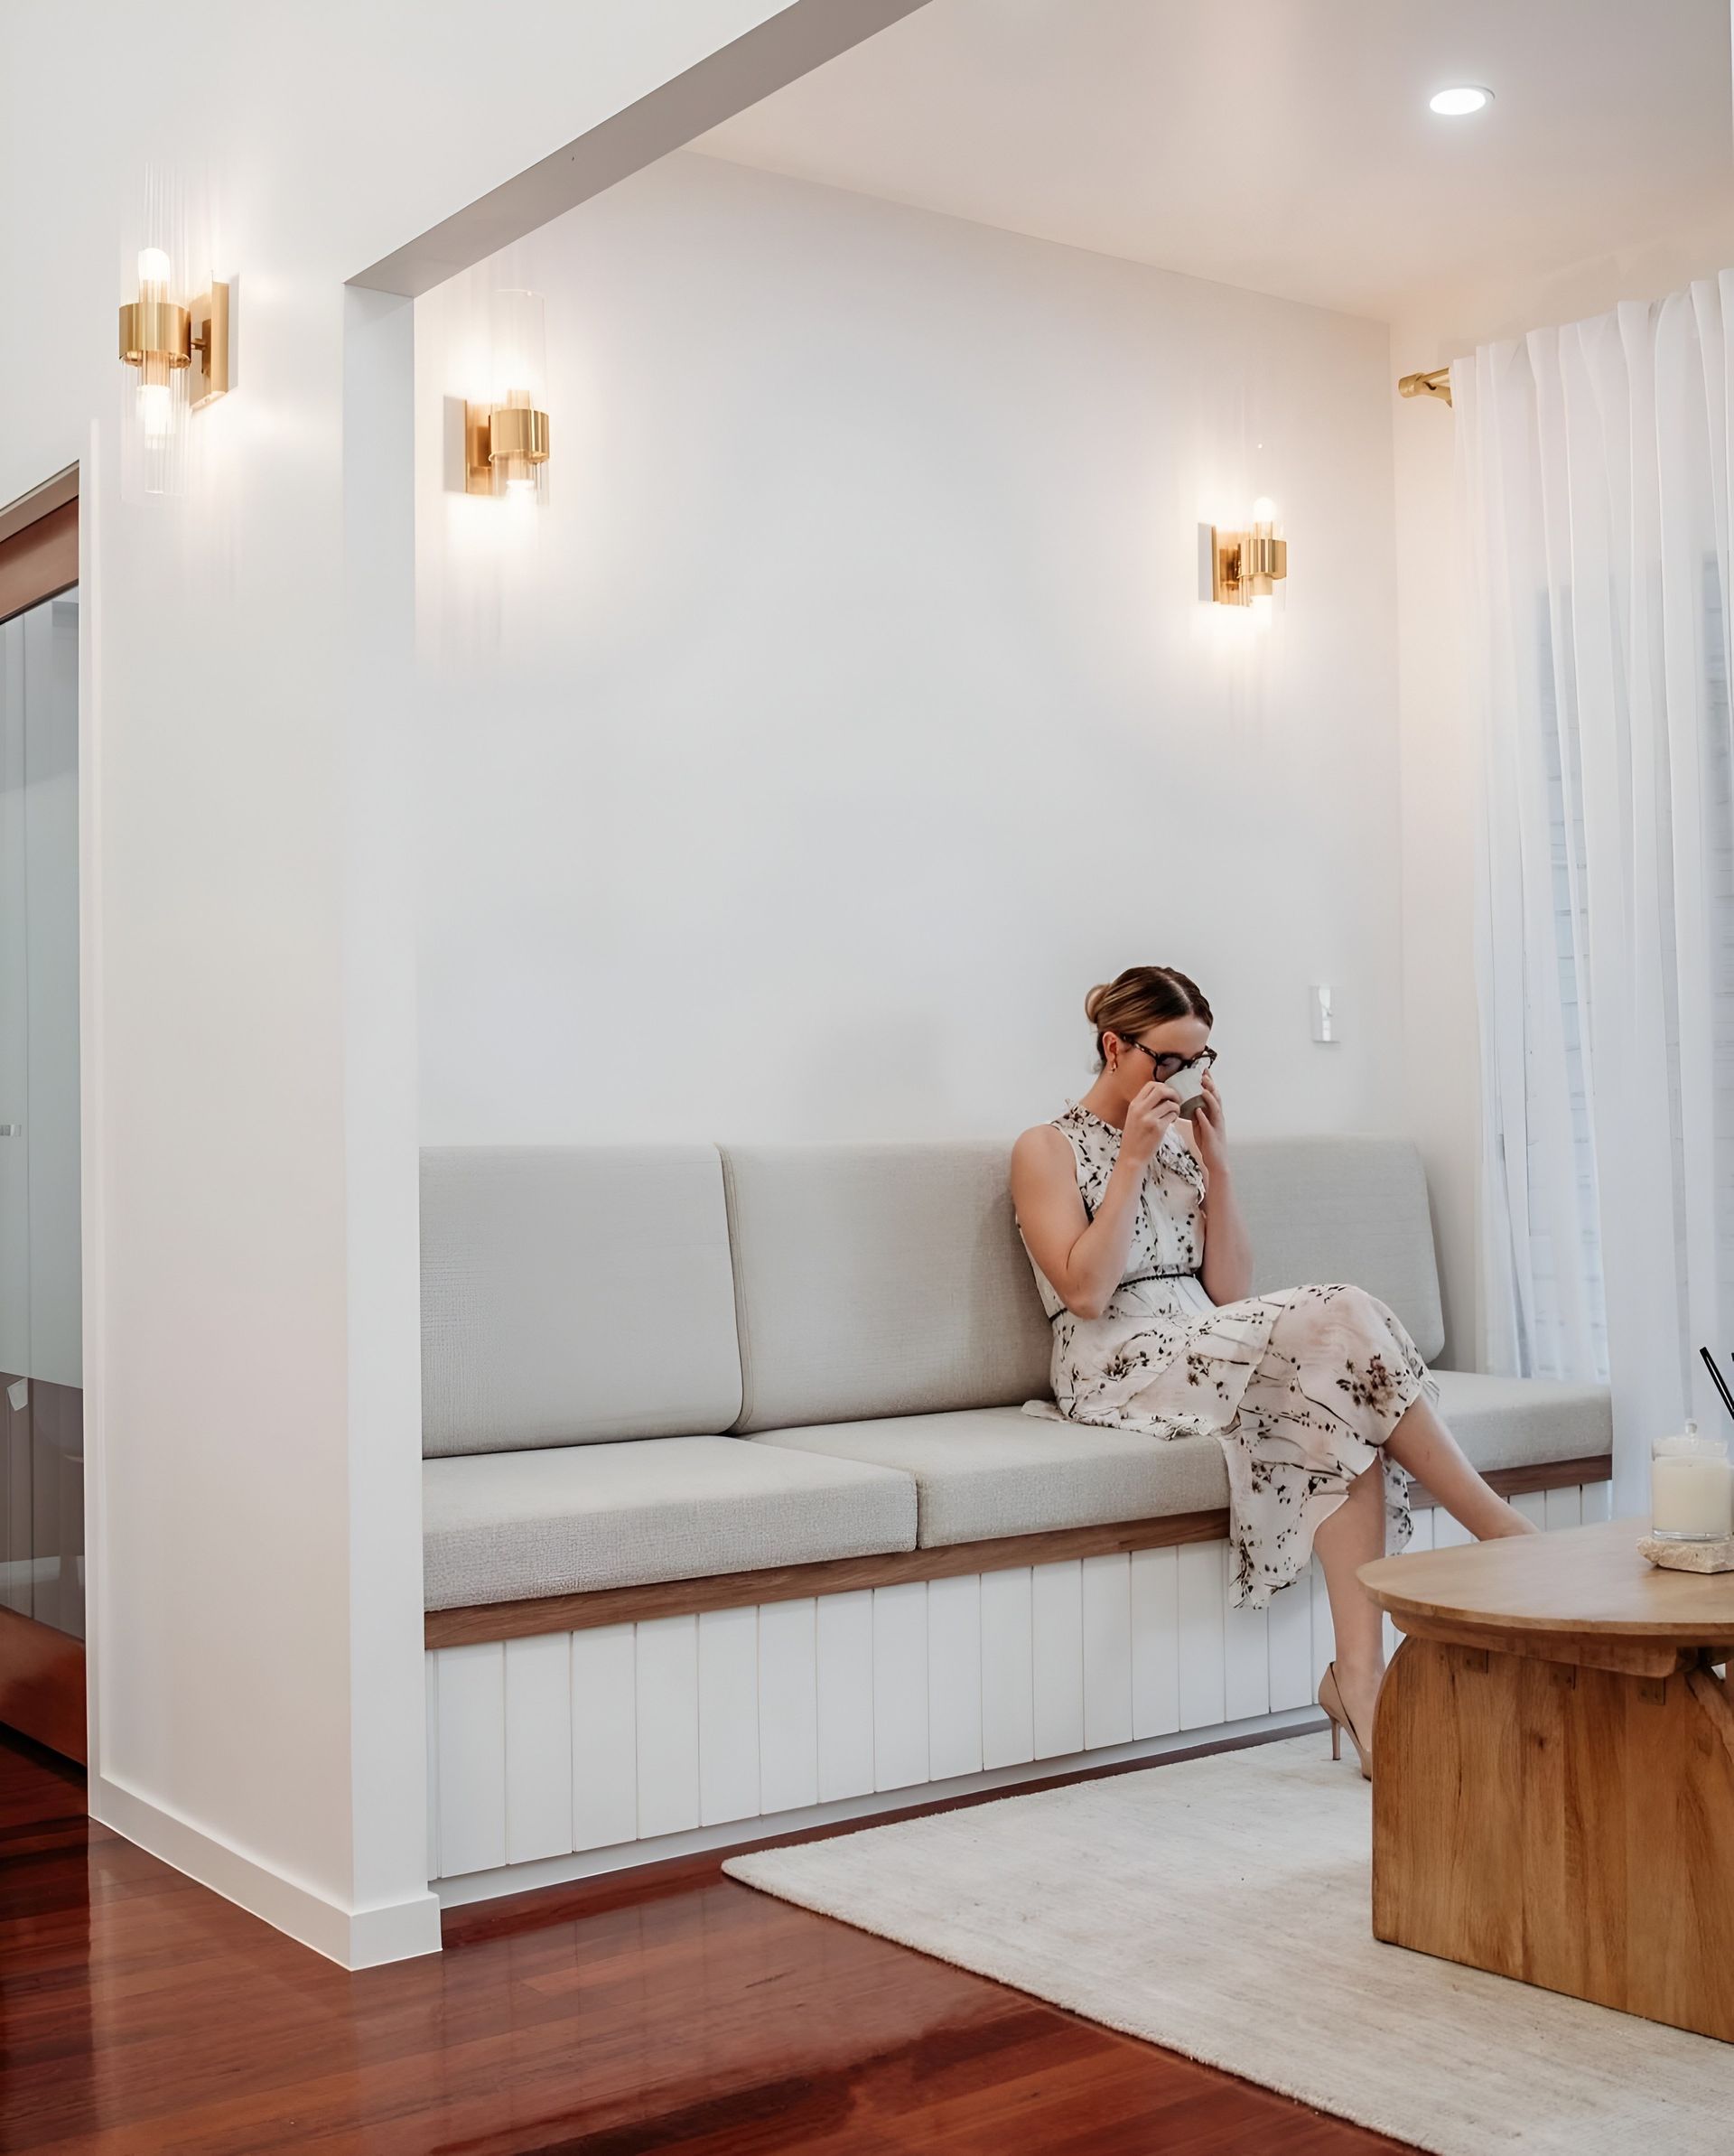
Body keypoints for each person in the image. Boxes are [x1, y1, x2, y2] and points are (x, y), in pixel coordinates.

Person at [1009, 964, 1536, 1779]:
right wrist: (1130, 1167)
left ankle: (1358, 1681)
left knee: (1334, 1408)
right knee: (1343, 1309)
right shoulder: (1045, 1147)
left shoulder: (1186, 1142)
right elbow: (1083, 1292)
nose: (1187, 1080)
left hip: (1203, 1334)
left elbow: (1229, 1290)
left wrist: (1218, 1167)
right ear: (1115, 1048)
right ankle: (1498, 1531)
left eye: (1201, 1060)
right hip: (1116, 1357)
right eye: (1169, 1062)